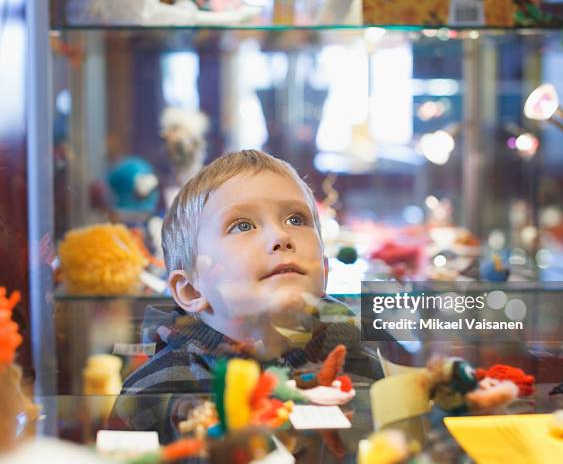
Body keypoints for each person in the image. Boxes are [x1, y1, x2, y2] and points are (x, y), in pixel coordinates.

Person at [110, 150, 377, 438]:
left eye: (296, 220)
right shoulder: (154, 390)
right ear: (190, 290)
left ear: (324, 267)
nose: (281, 237)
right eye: (243, 225)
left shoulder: (359, 363)